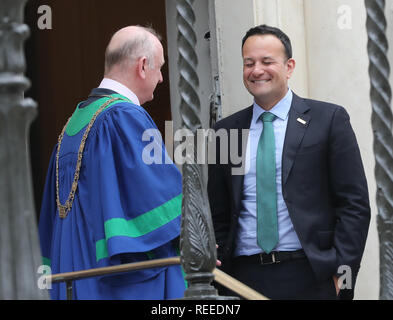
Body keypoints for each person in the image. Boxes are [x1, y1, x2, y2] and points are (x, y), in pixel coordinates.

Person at [208, 24, 370, 300]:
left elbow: (354, 204)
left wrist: (343, 278)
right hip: (242, 280)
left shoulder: (328, 120)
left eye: (267, 61)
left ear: (289, 66)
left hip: (311, 276)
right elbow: (217, 212)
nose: (257, 70)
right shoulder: (225, 132)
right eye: (249, 63)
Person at [38, 25, 185, 299]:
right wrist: (193, 244)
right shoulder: (124, 117)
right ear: (142, 66)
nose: (162, 78)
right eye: (160, 68)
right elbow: (155, 200)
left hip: (77, 274)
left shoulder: (71, 125)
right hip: (114, 283)